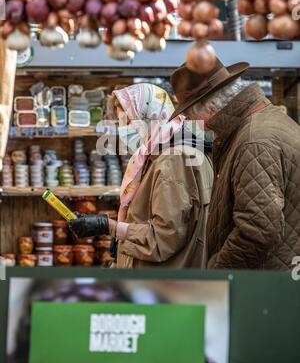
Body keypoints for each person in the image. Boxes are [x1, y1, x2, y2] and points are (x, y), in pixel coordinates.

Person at [169, 57, 300, 270]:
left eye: (189, 114)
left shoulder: (253, 140)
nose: (191, 123)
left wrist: (216, 273)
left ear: (209, 108)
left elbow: (257, 230)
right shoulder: (261, 123)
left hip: (266, 284)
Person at [69, 83, 213, 268]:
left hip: (163, 282)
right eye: (120, 123)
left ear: (148, 116)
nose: (124, 130)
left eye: (128, 122)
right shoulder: (166, 152)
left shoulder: (174, 160)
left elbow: (163, 239)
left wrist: (109, 227)